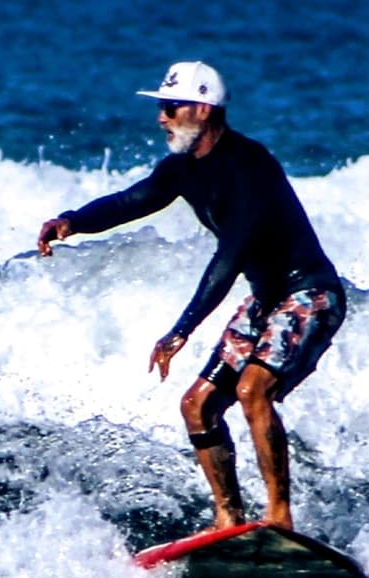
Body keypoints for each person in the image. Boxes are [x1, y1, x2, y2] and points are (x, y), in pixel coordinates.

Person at [36, 61, 345, 534]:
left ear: (202, 108)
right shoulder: (182, 167)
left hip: (310, 294)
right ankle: (228, 517)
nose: (161, 117)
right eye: (161, 108)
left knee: (251, 389)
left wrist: (182, 331)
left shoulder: (250, 167)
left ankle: (280, 518)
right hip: (266, 300)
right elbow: (131, 201)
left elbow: (231, 255)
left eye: (170, 107)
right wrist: (72, 222)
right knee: (197, 405)